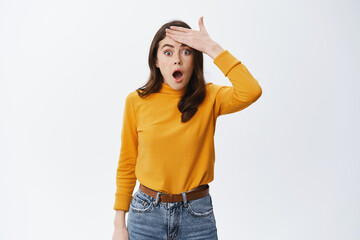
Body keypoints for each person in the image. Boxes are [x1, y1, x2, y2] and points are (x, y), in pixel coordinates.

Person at [112, 16, 262, 240]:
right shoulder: (136, 101)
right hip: (145, 216)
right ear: (155, 60)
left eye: (186, 51)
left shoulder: (210, 97)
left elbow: (251, 90)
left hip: (197, 216)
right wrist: (119, 224)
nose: (177, 61)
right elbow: (127, 163)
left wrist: (211, 47)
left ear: (195, 59)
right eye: (168, 52)